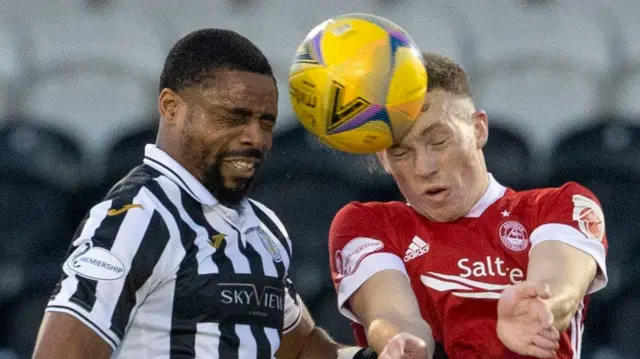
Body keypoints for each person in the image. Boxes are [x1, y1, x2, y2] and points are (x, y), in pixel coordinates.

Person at [32, 28, 382, 359]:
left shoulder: (263, 227)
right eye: (234, 116)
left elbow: (301, 347)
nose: (255, 138)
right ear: (171, 107)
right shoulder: (139, 217)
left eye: (266, 122)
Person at [328, 53, 608, 358]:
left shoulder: (558, 205)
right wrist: (401, 342)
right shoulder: (367, 223)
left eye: (438, 142)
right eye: (401, 152)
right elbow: (390, 313)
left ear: (479, 129)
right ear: (383, 158)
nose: (424, 167)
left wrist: (537, 310)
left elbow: (560, 288)